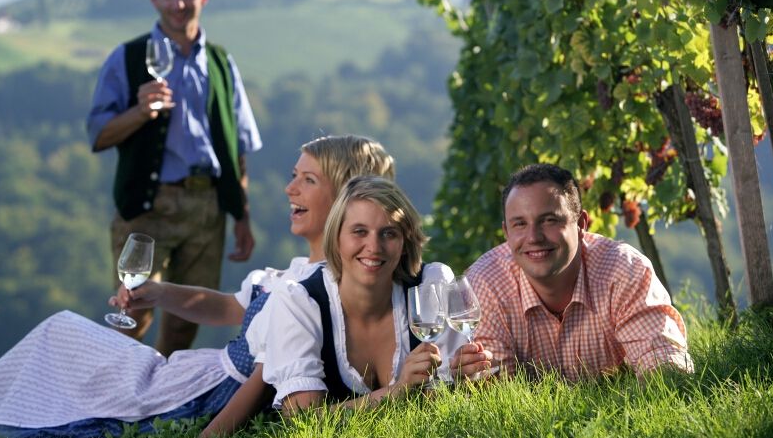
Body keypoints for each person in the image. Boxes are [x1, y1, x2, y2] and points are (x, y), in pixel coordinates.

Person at [0, 135, 394, 438]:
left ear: (349, 197)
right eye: (293, 176)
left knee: (59, 336)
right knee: (56, 338)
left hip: (199, 393)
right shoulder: (288, 274)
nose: (290, 189)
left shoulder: (323, 285)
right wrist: (159, 292)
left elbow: (270, 372)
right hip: (193, 372)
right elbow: (225, 307)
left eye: (307, 180)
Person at [86, 0, 261, 354]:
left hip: (208, 207)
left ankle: (160, 409)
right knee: (134, 313)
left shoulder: (221, 62)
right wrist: (139, 112)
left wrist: (242, 216)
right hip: (149, 207)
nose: (178, 3)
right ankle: (111, 407)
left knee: (187, 325)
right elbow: (98, 135)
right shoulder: (127, 58)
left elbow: (238, 147)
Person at [249, 176, 488, 412]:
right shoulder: (299, 301)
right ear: (336, 239)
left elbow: (440, 398)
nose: (374, 247)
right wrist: (398, 391)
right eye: (359, 232)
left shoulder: (431, 285)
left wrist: (461, 378)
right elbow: (303, 419)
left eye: (389, 233)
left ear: (405, 241)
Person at [462, 163, 694, 381]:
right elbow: (497, 394)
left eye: (549, 220)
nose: (534, 237)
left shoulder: (624, 270)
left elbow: (666, 374)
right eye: (520, 224)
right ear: (506, 232)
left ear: (581, 224)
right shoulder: (485, 283)